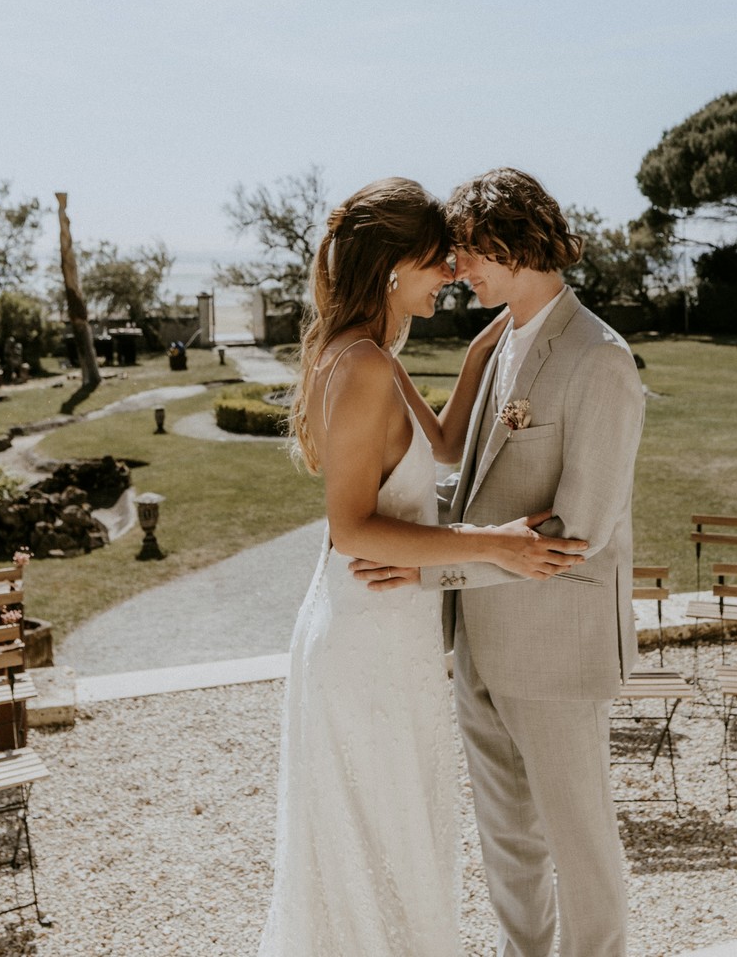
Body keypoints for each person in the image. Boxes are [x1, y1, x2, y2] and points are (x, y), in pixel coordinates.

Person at [257, 177, 588, 957]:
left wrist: (497, 338)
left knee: (399, 828)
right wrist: (493, 544)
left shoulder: (372, 352)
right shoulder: (361, 365)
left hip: (388, 633)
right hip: (364, 638)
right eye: (438, 260)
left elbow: (439, 444)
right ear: (394, 266)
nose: (450, 273)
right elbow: (350, 529)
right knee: (381, 833)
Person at [351, 168, 645, 957]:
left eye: (469, 255)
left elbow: (576, 528)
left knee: (578, 843)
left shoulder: (599, 359)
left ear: (513, 244)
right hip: (480, 639)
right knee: (508, 843)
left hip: (556, 644)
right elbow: (464, 471)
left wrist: (429, 570)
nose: (457, 272)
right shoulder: (506, 338)